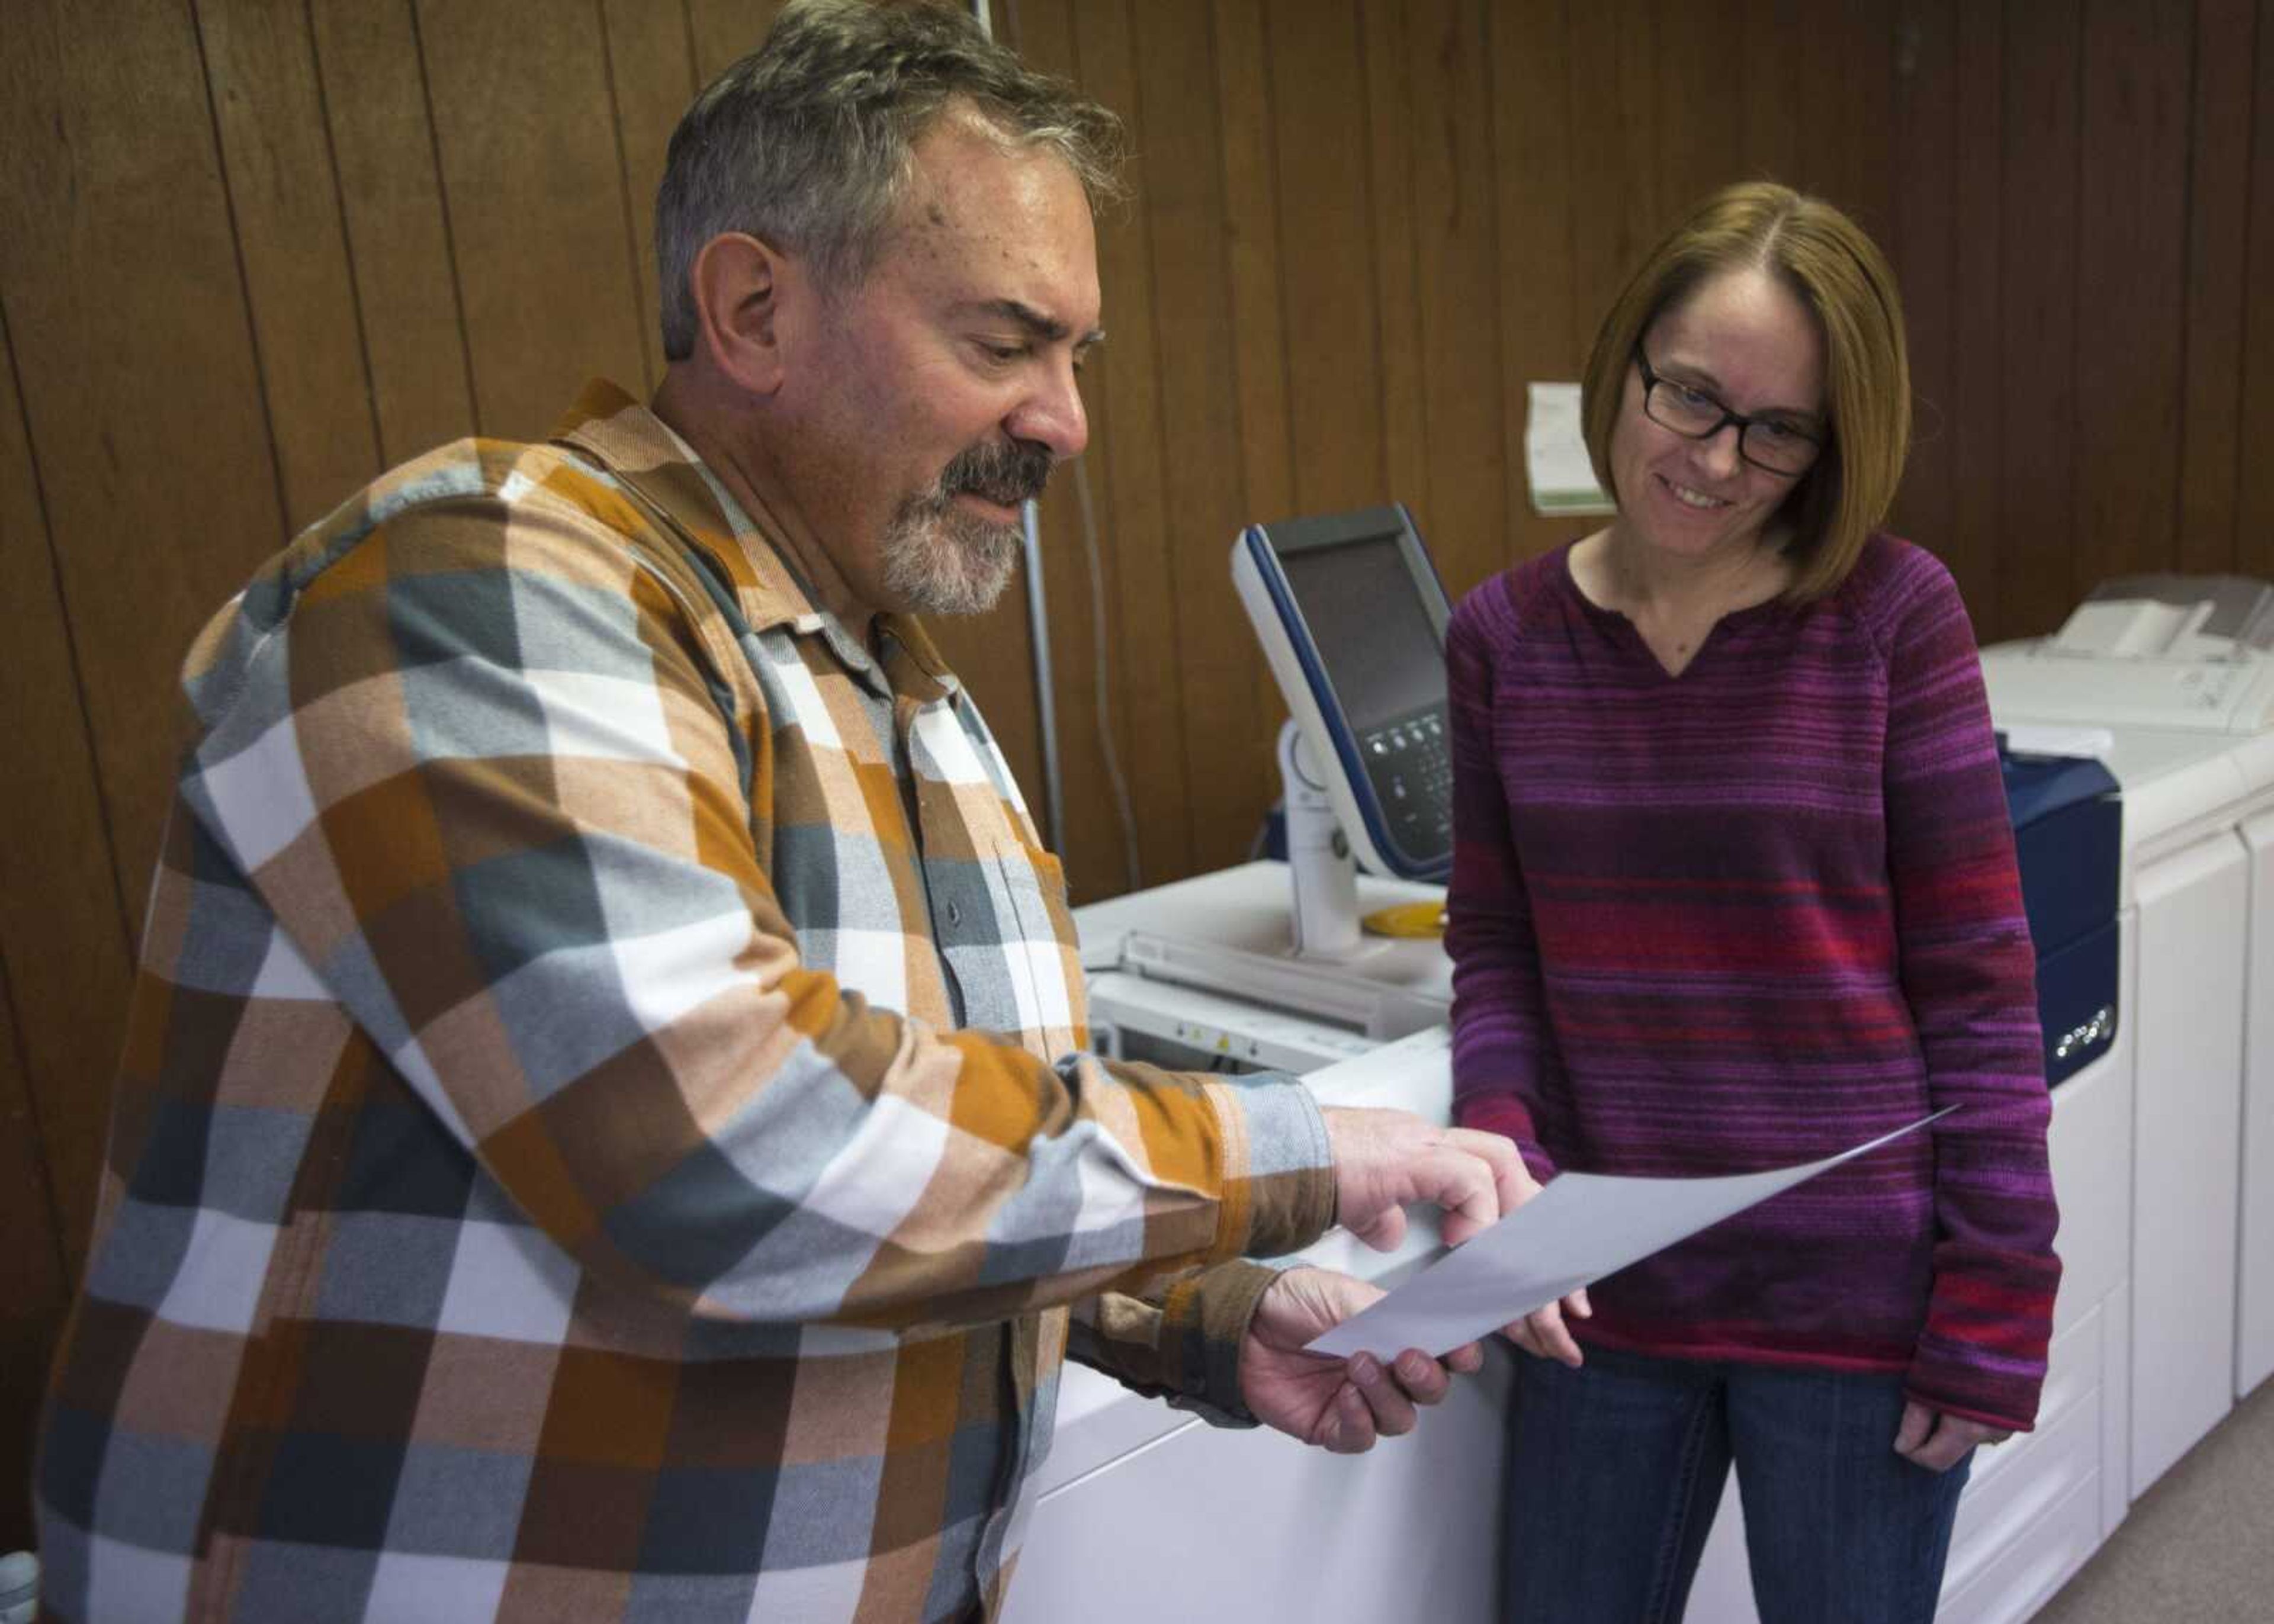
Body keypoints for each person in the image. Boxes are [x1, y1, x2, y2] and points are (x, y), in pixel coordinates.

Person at [33, 4, 1533, 1619]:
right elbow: (723, 1150)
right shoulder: (483, 586)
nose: (1065, 421)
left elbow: (928, 1180)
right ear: (752, 307)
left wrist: (1196, 1315)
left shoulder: (900, 689)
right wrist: (1306, 1150)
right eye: (1003, 342)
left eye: (1075, 357)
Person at [1445, 180, 2061, 1624]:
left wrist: (1997, 1298)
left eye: (1777, 431)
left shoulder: (1894, 618)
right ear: (1628, 360)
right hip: (1603, 1289)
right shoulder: (1503, 640)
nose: (1715, 461)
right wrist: (1501, 1142)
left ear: (1837, 446)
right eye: (1689, 398)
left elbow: (1979, 991)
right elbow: (1498, 949)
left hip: (1859, 1304)